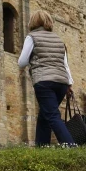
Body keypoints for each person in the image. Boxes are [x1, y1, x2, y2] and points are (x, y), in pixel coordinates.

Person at [18, 10, 76, 146]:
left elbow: (22, 62)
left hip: (44, 81)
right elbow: (65, 64)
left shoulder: (32, 37)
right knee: (44, 115)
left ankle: (71, 146)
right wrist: (69, 84)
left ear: (33, 22)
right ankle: (41, 147)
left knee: (52, 115)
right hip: (62, 83)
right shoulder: (59, 40)